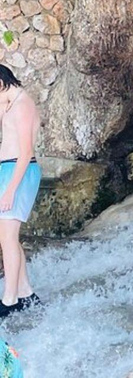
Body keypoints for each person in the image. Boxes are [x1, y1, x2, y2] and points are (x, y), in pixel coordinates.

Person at [0, 65, 41, 318]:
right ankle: (26, 292)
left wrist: (10, 191)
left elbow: (26, 152)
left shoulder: (23, 104)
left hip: (20, 173)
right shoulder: (10, 103)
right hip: (7, 171)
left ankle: (9, 300)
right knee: (7, 237)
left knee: (8, 239)